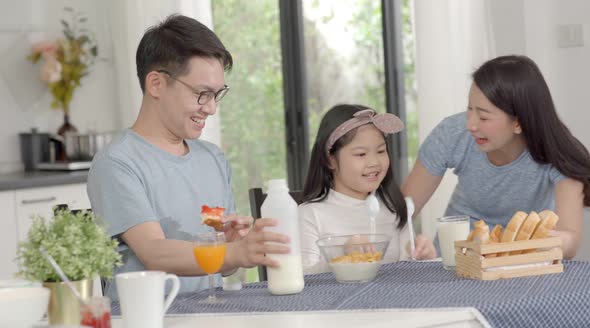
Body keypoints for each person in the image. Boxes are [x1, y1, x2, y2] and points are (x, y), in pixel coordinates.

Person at [87, 14, 290, 299]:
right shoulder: (117, 163)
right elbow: (154, 253)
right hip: (148, 318)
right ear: (156, 84)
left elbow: (223, 267)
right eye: (202, 94)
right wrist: (233, 252)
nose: (211, 109)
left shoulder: (212, 158)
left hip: (212, 313)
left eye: (217, 95)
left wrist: (230, 243)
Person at [402, 55, 590, 259]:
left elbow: (570, 240)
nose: (471, 125)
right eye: (469, 109)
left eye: (483, 117)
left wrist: (540, 244)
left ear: (518, 123)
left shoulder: (560, 154)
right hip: (458, 262)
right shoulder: (453, 133)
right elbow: (403, 211)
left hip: (524, 264)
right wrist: (417, 243)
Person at [298, 104, 436, 274]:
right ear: (330, 160)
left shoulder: (393, 207)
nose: (374, 163)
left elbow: (405, 271)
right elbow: (302, 275)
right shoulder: (311, 214)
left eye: (380, 151)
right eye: (361, 154)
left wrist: (421, 256)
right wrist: (343, 255)